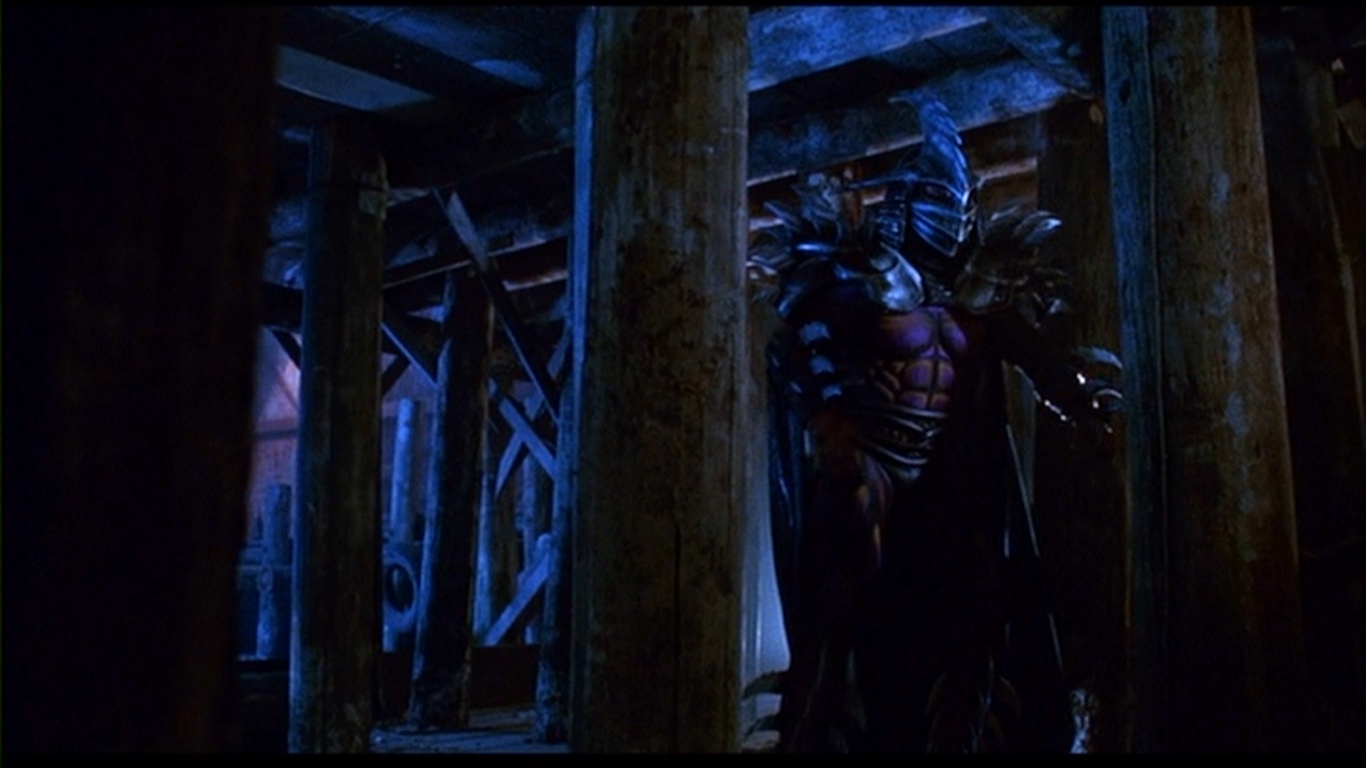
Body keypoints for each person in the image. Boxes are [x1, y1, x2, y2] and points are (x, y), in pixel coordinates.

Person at [749, 94, 1120, 753]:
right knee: (845, 608)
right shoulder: (855, 288)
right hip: (873, 466)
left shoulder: (980, 309)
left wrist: (1078, 401)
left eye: (958, 206)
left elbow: (1037, 359)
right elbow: (797, 342)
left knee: (976, 611)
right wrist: (827, 410)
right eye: (935, 205)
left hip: (949, 480)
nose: (949, 221)